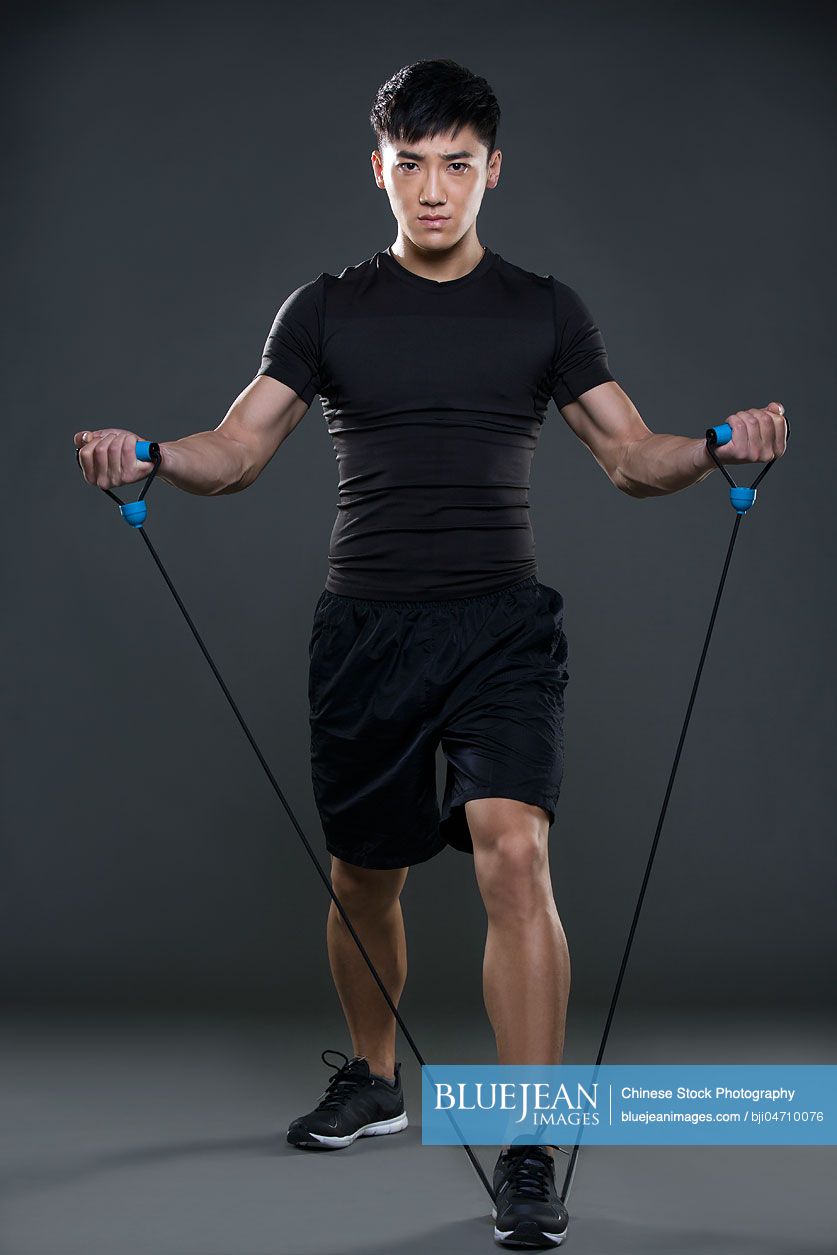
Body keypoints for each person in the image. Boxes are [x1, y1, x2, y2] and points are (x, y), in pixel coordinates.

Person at [74, 57, 787, 1253]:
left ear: (492, 169)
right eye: (411, 166)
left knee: (516, 853)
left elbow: (632, 454)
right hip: (365, 631)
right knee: (366, 877)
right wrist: (149, 452)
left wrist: (720, 444)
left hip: (502, 626)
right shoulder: (326, 308)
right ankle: (373, 1077)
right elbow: (236, 447)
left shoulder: (546, 309)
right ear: (380, 169)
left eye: (457, 164)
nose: (434, 190)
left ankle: (527, 1143)